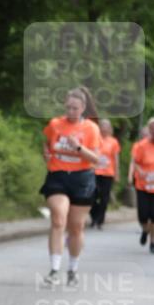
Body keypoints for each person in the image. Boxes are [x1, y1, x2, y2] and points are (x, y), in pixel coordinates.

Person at [40, 88, 101, 287]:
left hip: (82, 179)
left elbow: (96, 159)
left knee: (76, 227)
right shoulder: (55, 124)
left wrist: (78, 148)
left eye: (75, 108)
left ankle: (73, 269)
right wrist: (46, 154)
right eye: (68, 107)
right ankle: (54, 270)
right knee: (58, 218)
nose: (71, 111)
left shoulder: (91, 128)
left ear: (83, 108)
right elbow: (46, 143)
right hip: (58, 176)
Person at [128, 117, 154, 255]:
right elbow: (136, 162)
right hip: (143, 185)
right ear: (149, 130)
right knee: (143, 216)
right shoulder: (141, 146)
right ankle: (145, 230)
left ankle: (153, 243)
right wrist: (139, 171)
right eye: (153, 128)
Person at [89, 119, 120, 229]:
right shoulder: (94, 139)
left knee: (104, 198)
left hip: (108, 173)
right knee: (91, 196)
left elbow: (116, 159)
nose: (104, 128)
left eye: (106, 126)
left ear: (110, 128)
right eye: (102, 126)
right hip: (94, 171)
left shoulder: (113, 142)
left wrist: (117, 173)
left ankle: (100, 220)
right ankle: (94, 215)